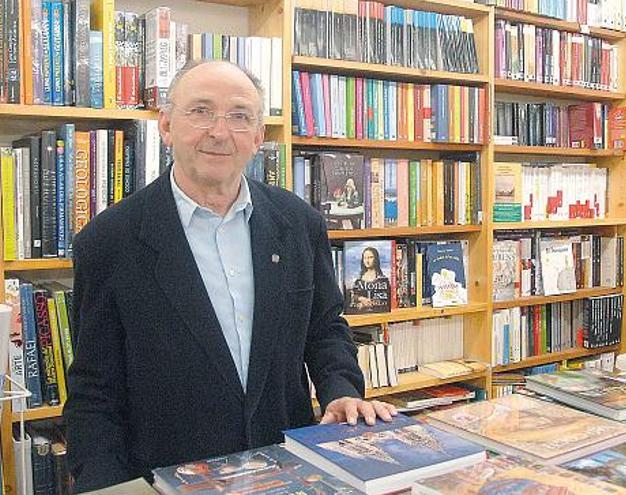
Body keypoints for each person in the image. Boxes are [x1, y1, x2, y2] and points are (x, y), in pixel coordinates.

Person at [63, 60, 396, 492]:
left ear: (258, 137)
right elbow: (95, 394)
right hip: (169, 479)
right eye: (200, 111)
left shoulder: (299, 223)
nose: (220, 132)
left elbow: (325, 330)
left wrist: (340, 391)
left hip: (288, 470)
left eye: (239, 116)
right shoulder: (109, 241)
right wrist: (108, 487)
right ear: (166, 125)